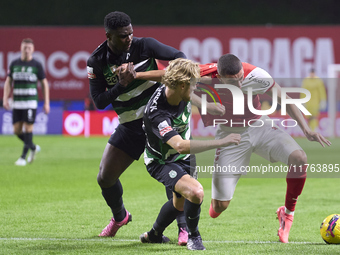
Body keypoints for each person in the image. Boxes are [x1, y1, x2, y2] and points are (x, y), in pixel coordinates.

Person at [192, 54, 331, 243]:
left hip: (260, 126)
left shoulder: (257, 75)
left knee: (299, 158)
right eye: (233, 82)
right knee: (219, 207)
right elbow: (170, 79)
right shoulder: (204, 74)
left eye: (241, 78)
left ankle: (287, 213)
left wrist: (306, 130)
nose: (239, 84)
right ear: (220, 76)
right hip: (229, 135)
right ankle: (217, 201)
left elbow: (286, 99)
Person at [86, 11, 189, 243]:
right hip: (130, 125)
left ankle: (184, 229)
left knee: (174, 174)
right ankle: (120, 217)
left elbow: (180, 56)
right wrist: (121, 85)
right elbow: (99, 102)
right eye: (123, 36)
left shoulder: (145, 46)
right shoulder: (97, 62)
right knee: (105, 177)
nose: (129, 38)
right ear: (108, 36)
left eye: (131, 33)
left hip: (158, 120)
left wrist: (167, 73)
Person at [140, 58, 241, 250]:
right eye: (193, 86)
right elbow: (179, 146)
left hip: (185, 157)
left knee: (179, 204)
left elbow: (189, 94)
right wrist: (221, 142)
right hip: (162, 161)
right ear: (182, 85)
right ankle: (195, 238)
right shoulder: (156, 114)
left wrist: (207, 106)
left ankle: (154, 234)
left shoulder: (178, 91)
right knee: (196, 192)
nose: (196, 90)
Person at [2, 38, 50, 166]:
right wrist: (5, 98)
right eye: (25, 48)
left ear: (33, 50)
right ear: (21, 48)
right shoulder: (14, 63)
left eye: (29, 48)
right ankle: (33, 147)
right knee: (17, 131)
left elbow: (44, 83)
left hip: (30, 103)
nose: (27, 50)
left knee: (28, 128)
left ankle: (23, 157)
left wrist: (46, 102)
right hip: (17, 102)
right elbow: (8, 82)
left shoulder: (36, 64)